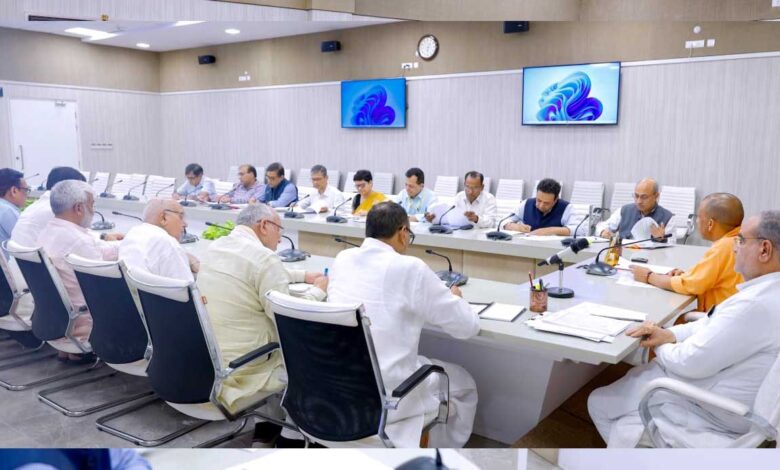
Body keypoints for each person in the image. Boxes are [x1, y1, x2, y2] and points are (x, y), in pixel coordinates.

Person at [588, 210, 780, 447]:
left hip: (710, 405)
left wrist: (659, 344)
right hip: (722, 388)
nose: (734, 247)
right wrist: (670, 334)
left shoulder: (754, 305)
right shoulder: (766, 292)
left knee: (599, 403)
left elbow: (690, 362)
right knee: (629, 391)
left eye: (740, 240)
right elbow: (711, 322)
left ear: (764, 250)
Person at [328, 201, 480, 448]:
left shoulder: (342, 258)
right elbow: (467, 327)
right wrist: (456, 299)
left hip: (339, 385)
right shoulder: (410, 267)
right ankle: (436, 458)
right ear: (402, 233)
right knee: (465, 384)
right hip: (390, 395)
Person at [197, 204, 327, 419]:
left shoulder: (215, 247)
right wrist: (318, 291)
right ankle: (296, 429)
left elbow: (255, 272)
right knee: (313, 348)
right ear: (264, 225)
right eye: (279, 229)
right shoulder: (264, 258)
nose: (280, 239)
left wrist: (303, 275)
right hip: (247, 367)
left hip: (211, 359)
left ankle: (268, 424)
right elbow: (290, 320)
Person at [37, 180, 122, 358]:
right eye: (92, 205)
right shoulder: (78, 241)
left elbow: (97, 249)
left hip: (59, 320)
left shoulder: (49, 230)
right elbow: (104, 281)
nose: (93, 211)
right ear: (78, 208)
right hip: (87, 323)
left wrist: (125, 245)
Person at [630, 193, 745, 312]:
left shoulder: (723, 247)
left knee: (678, 318)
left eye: (699, 217)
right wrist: (686, 275)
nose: (697, 221)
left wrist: (649, 276)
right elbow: (707, 277)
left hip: (721, 315)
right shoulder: (740, 241)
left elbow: (690, 285)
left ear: (710, 224)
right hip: (734, 310)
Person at [11, 167, 94, 247]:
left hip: (23, 255)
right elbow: (82, 238)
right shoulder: (57, 208)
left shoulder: (40, 204)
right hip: (36, 254)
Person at [119, 199, 198, 282]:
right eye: (180, 217)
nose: (185, 224)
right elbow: (187, 287)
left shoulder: (133, 233)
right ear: (164, 218)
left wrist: (184, 256)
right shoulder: (169, 243)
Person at [598, 178, 673, 240]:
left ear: (656, 196)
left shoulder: (668, 218)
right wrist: (603, 231)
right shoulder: (624, 210)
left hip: (651, 254)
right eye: (636, 196)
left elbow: (672, 247)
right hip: (623, 252)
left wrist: (662, 240)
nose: (639, 201)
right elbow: (601, 226)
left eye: (644, 197)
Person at [504, 178, 577, 236]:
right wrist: (513, 226)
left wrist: (549, 230)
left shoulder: (566, 208)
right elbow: (503, 221)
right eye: (538, 200)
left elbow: (578, 230)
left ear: (556, 200)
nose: (541, 205)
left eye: (546, 203)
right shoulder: (526, 204)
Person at [427, 171, 496, 229]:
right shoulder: (459, 196)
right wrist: (434, 219)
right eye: (467, 187)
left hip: (479, 236)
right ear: (464, 184)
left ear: (482, 187)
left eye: (475, 188)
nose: (470, 191)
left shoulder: (489, 199)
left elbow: (491, 223)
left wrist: (476, 219)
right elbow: (450, 218)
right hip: (461, 234)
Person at [0, 169, 30, 254]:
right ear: (14, 190)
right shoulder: (7, 211)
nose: (27, 195)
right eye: (26, 190)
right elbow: (26, 242)